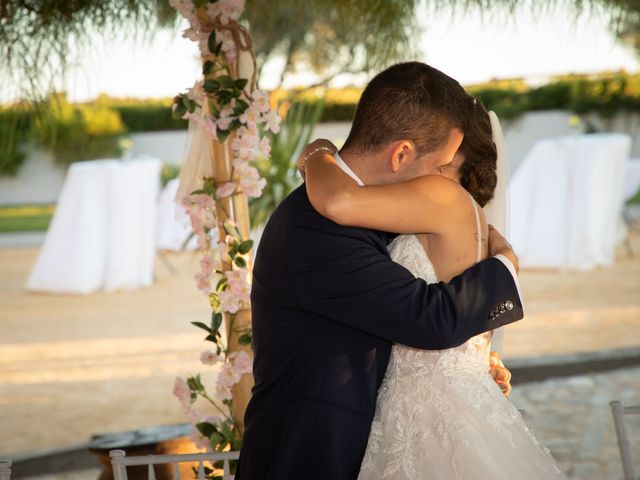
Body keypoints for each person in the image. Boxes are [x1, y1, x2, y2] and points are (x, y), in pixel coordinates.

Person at [235, 62, 524, 480]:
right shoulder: (315, 228)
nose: (445, 187)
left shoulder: (369, 213)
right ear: (401, 154)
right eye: (442, 168)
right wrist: (506, 266)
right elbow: (428, 319)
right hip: (309, 454)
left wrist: (465, 370)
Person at [299, 75, 566, 478]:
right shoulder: (465, 215)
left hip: (427, 407)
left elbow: (340, 200)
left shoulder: (439, 197)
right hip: (450, 397)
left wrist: (316, 153)